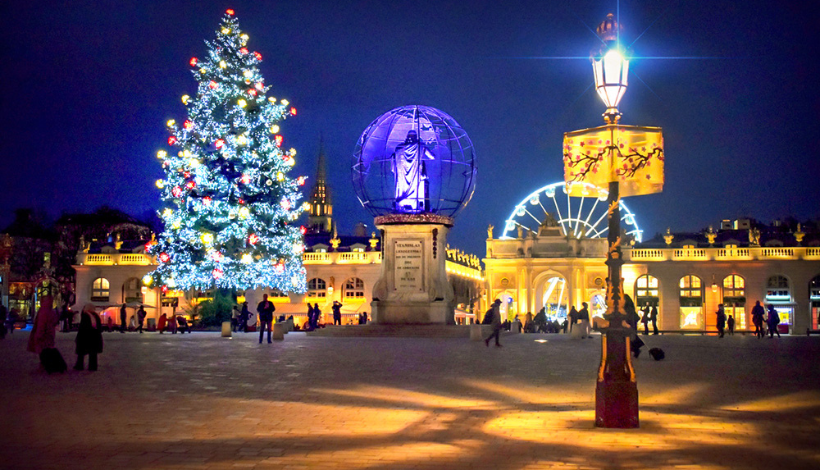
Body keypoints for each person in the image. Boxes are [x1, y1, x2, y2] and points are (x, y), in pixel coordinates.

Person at [75, 303, 103, 371]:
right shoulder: (96, 316)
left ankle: (80, 366)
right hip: (95, 337)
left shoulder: (85, 315)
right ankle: (92, 366)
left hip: (85, 337)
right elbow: (99, 327)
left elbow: (82, 327)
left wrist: (78, 337)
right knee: (93, 353)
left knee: (81, 352)